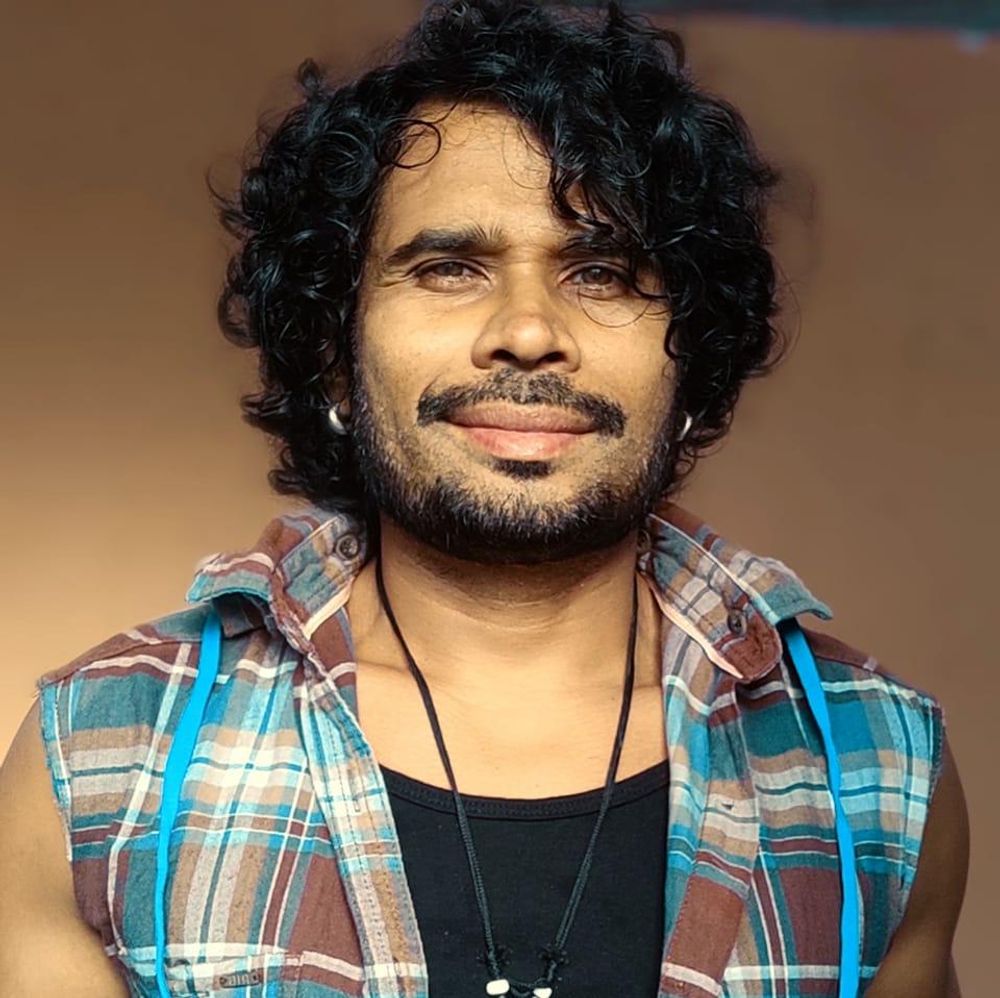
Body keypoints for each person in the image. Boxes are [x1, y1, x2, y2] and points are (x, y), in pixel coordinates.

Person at [0, 1, 969, 996]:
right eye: (449, 268)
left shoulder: (877, 769)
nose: (527, 331)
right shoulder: (105, 756)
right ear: (334, 351)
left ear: (692, 353)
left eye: (601, 271)